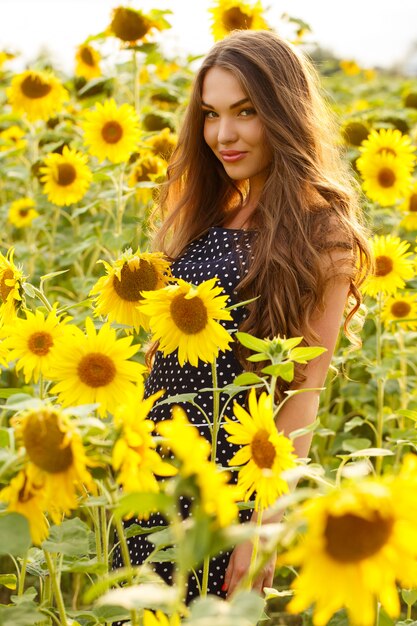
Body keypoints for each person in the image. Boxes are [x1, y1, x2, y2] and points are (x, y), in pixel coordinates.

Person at [112, 28, 371, 613]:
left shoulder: (323, 237)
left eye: (245, 112)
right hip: (151, 475)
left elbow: (303, 400)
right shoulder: (208, 212)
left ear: (284, 113)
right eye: (210, 114)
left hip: (226, 494)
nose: (222, 135)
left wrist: (264, 530)